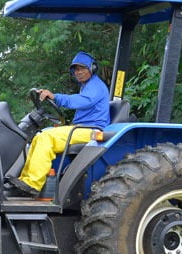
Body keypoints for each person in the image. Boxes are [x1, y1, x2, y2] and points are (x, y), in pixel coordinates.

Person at [6, 51, 110, 197]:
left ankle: (33, 184)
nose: (78, 72)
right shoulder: (86, 87)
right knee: (38, 136)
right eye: (76, 69)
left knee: (46, 138)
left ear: (92, 68)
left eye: (82, 68)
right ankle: (25, 180)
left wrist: (56, 97)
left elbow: (81, 101)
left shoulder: (96, 86)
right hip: (79, 128)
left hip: (91, 130)